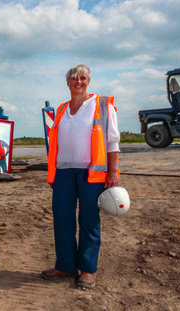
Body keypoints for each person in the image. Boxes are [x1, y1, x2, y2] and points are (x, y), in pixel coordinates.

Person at [42, 64, 120, 289]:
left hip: (91, 173)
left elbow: (112, 142)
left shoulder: (103, 106)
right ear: (67, 82)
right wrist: (53, 175)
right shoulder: (62, 108)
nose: (78, 82)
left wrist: (113, 172)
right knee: (62, 220)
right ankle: (65, 265)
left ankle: (87, 270)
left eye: (83, 78)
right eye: (74, 78)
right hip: (64, 172)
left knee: (88, 220)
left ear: (89, 81)